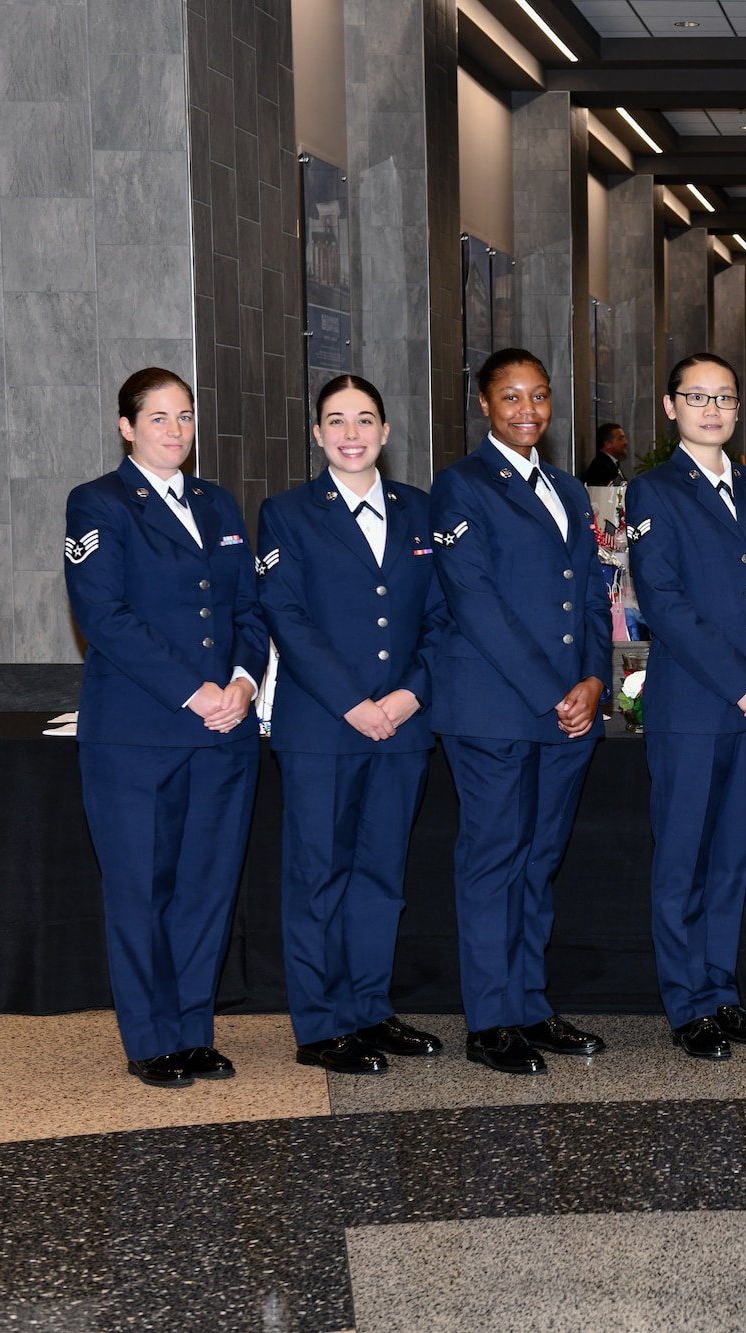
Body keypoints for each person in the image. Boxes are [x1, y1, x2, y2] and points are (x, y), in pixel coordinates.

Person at [63, 368, 268, 1087]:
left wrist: (243, 681)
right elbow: (106, 619)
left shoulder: (218, 504)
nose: (175, 431)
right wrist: (196, 690)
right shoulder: (98, 503)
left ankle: (191, 1029)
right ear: (126, 426)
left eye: (184, 417)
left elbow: (248, 608)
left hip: (225, 733)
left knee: (207, 887)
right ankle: (150, 1038)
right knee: (140, 887)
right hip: (139, 736)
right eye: (158, 418)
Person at [255, 375, 450, 1075]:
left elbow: (442, 618)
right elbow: (287, 616)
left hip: (402, 725)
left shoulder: (420, 510)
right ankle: (322, 1022)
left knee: (381, 876)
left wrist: (406, 697)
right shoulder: (287, 513)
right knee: (319, 875)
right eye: (335, 420)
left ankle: (369, 1006)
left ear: (387, 432)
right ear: (316, 433)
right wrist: (353, 702)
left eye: (365, 419)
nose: (350, 432)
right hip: (322, 727)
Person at [429, 348, 613, 1075]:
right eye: (512, 398)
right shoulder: (460, 487)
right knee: (494, 861)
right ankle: (491, 1018)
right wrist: (554, 690)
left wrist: (595, 680)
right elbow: (477, 606)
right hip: (496, 710)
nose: (528, 410)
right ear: (484, 405)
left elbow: (594, 594)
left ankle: (531, 1004)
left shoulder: (567, 489)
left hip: (569, 711)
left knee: (539, 863)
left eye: (538, 397)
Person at [627, 353, 746, 1061]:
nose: (712, 409)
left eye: (724, 398)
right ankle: (686, 1001)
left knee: (734, 854)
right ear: (670, 406)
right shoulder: (653, 492)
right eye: (696, 397)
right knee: (684, 856)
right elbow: (664, 604)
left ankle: (721, 990)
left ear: (738, 408)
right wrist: (742, 682)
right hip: (697, 705)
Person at [580, 422, 628, 489]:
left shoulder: (611, 464)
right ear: (608, 444)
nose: (625, 442)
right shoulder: (600, 468)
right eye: (620, 439)